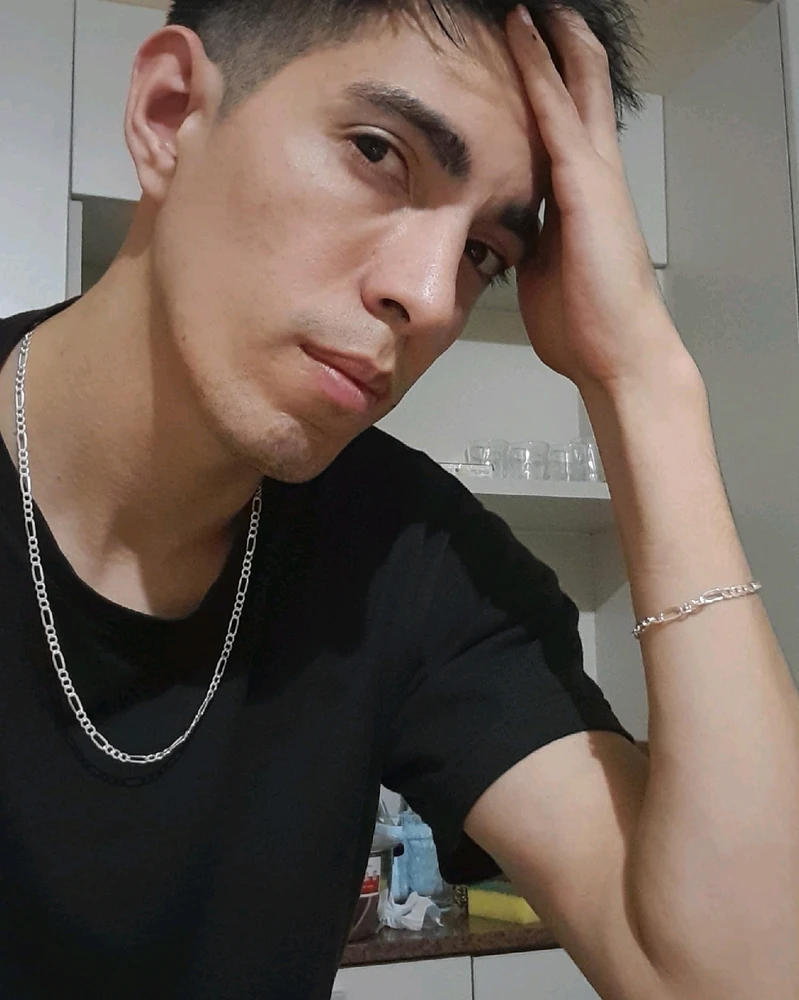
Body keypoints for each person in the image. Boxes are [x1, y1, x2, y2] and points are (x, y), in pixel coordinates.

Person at [1, 0, 797, 996]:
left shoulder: (413, 557)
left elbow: (739, 977)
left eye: (483, 254)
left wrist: (641, 376)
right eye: (379, 154)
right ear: (169, 114)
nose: (428, 297)